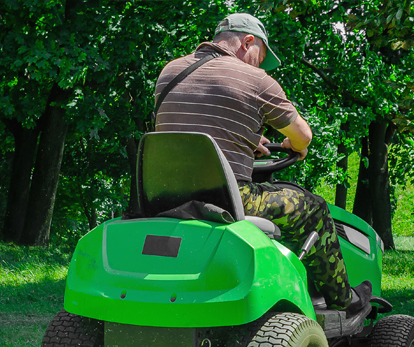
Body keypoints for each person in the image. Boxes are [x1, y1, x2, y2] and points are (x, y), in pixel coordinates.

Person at [152, 13, 366, 313]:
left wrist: (247, 140)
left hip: (164, 195)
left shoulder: (169, 71)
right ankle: (344, 301)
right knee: (314, 208)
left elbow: (192, 131)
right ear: (247, 42)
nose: (258, 65)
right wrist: (294, 145)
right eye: (260, 56)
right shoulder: (255, 80)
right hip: (228, 198)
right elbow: (304, 135)